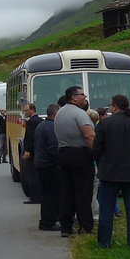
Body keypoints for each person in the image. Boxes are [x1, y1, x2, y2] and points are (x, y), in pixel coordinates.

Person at [93, 94, 130, 249]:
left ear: (115, 107)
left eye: (110, 105)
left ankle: (104, 243)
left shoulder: (104, 124)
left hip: (109, 172)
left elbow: (97, 149)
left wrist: (102, 163)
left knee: (106, 209)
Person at [55, 85, 96, 237]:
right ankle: (85, 227)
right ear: (74, 97)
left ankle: (66, 227)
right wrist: (98, 154)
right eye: (82, 95)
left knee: (67, 192)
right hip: (80, 154)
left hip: (63, 153)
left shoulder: (60, 112)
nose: (85, 97)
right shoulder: (80, 114)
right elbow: (88, 136)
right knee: (83, 193)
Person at [33, 103, 62, 231]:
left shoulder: (42, 125)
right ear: (56, 114)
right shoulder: (52, 127)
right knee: (51, 195)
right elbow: (52, 148)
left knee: (46, 194)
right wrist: (59, 163)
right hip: (49, 165)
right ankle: (48, 222)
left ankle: (46, 220)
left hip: (40, 163)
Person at [20, 103, 43, 204]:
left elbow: (30, 137)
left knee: (32, 175)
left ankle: (35, 197)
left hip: (32, 152)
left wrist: (27, 150)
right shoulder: (39, 120)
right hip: (38, 151)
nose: (25, 113)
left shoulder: (32, 122)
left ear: (32, 110)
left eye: (26, 110)